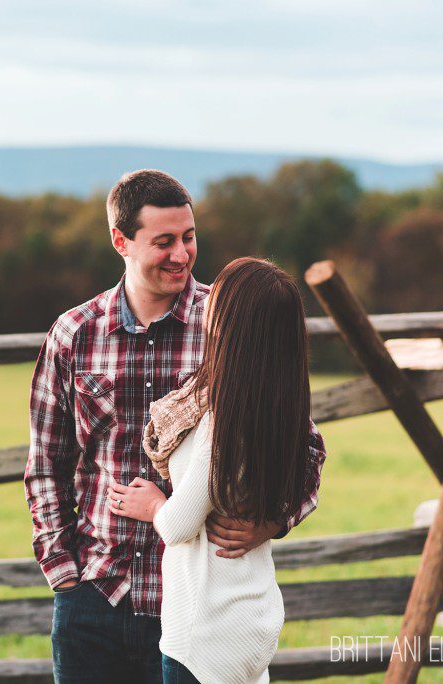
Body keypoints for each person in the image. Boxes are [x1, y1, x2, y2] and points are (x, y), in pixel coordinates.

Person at [24, 170, 327, 684]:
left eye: (189, 238)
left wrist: (274, 520)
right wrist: (65, 576)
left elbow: (305, 451)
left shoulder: (229, 325)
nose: (182, 255)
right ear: (121, 241)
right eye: (163, 242)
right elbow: (47, 464)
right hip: (97, 596)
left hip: (194, 607)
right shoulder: (75, 334)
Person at [108, 257, 324, 683]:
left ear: (230, 324)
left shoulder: (221, 422)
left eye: (217, 299)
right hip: (253, 613)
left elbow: (178, 525)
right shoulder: (280, 410)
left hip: (205, 630)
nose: (205, 304)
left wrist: (153, 505)